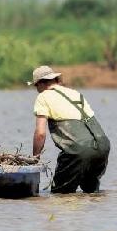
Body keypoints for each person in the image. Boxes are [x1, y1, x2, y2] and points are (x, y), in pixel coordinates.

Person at [30, 65, 111, 193]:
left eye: (35, 86)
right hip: (103, 147)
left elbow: (40, 133)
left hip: (78, 150)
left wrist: (35, 159)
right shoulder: (75, 93)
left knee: (60, 194)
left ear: (40, 83)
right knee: (92, 193)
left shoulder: (43, 97)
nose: (37, 90)